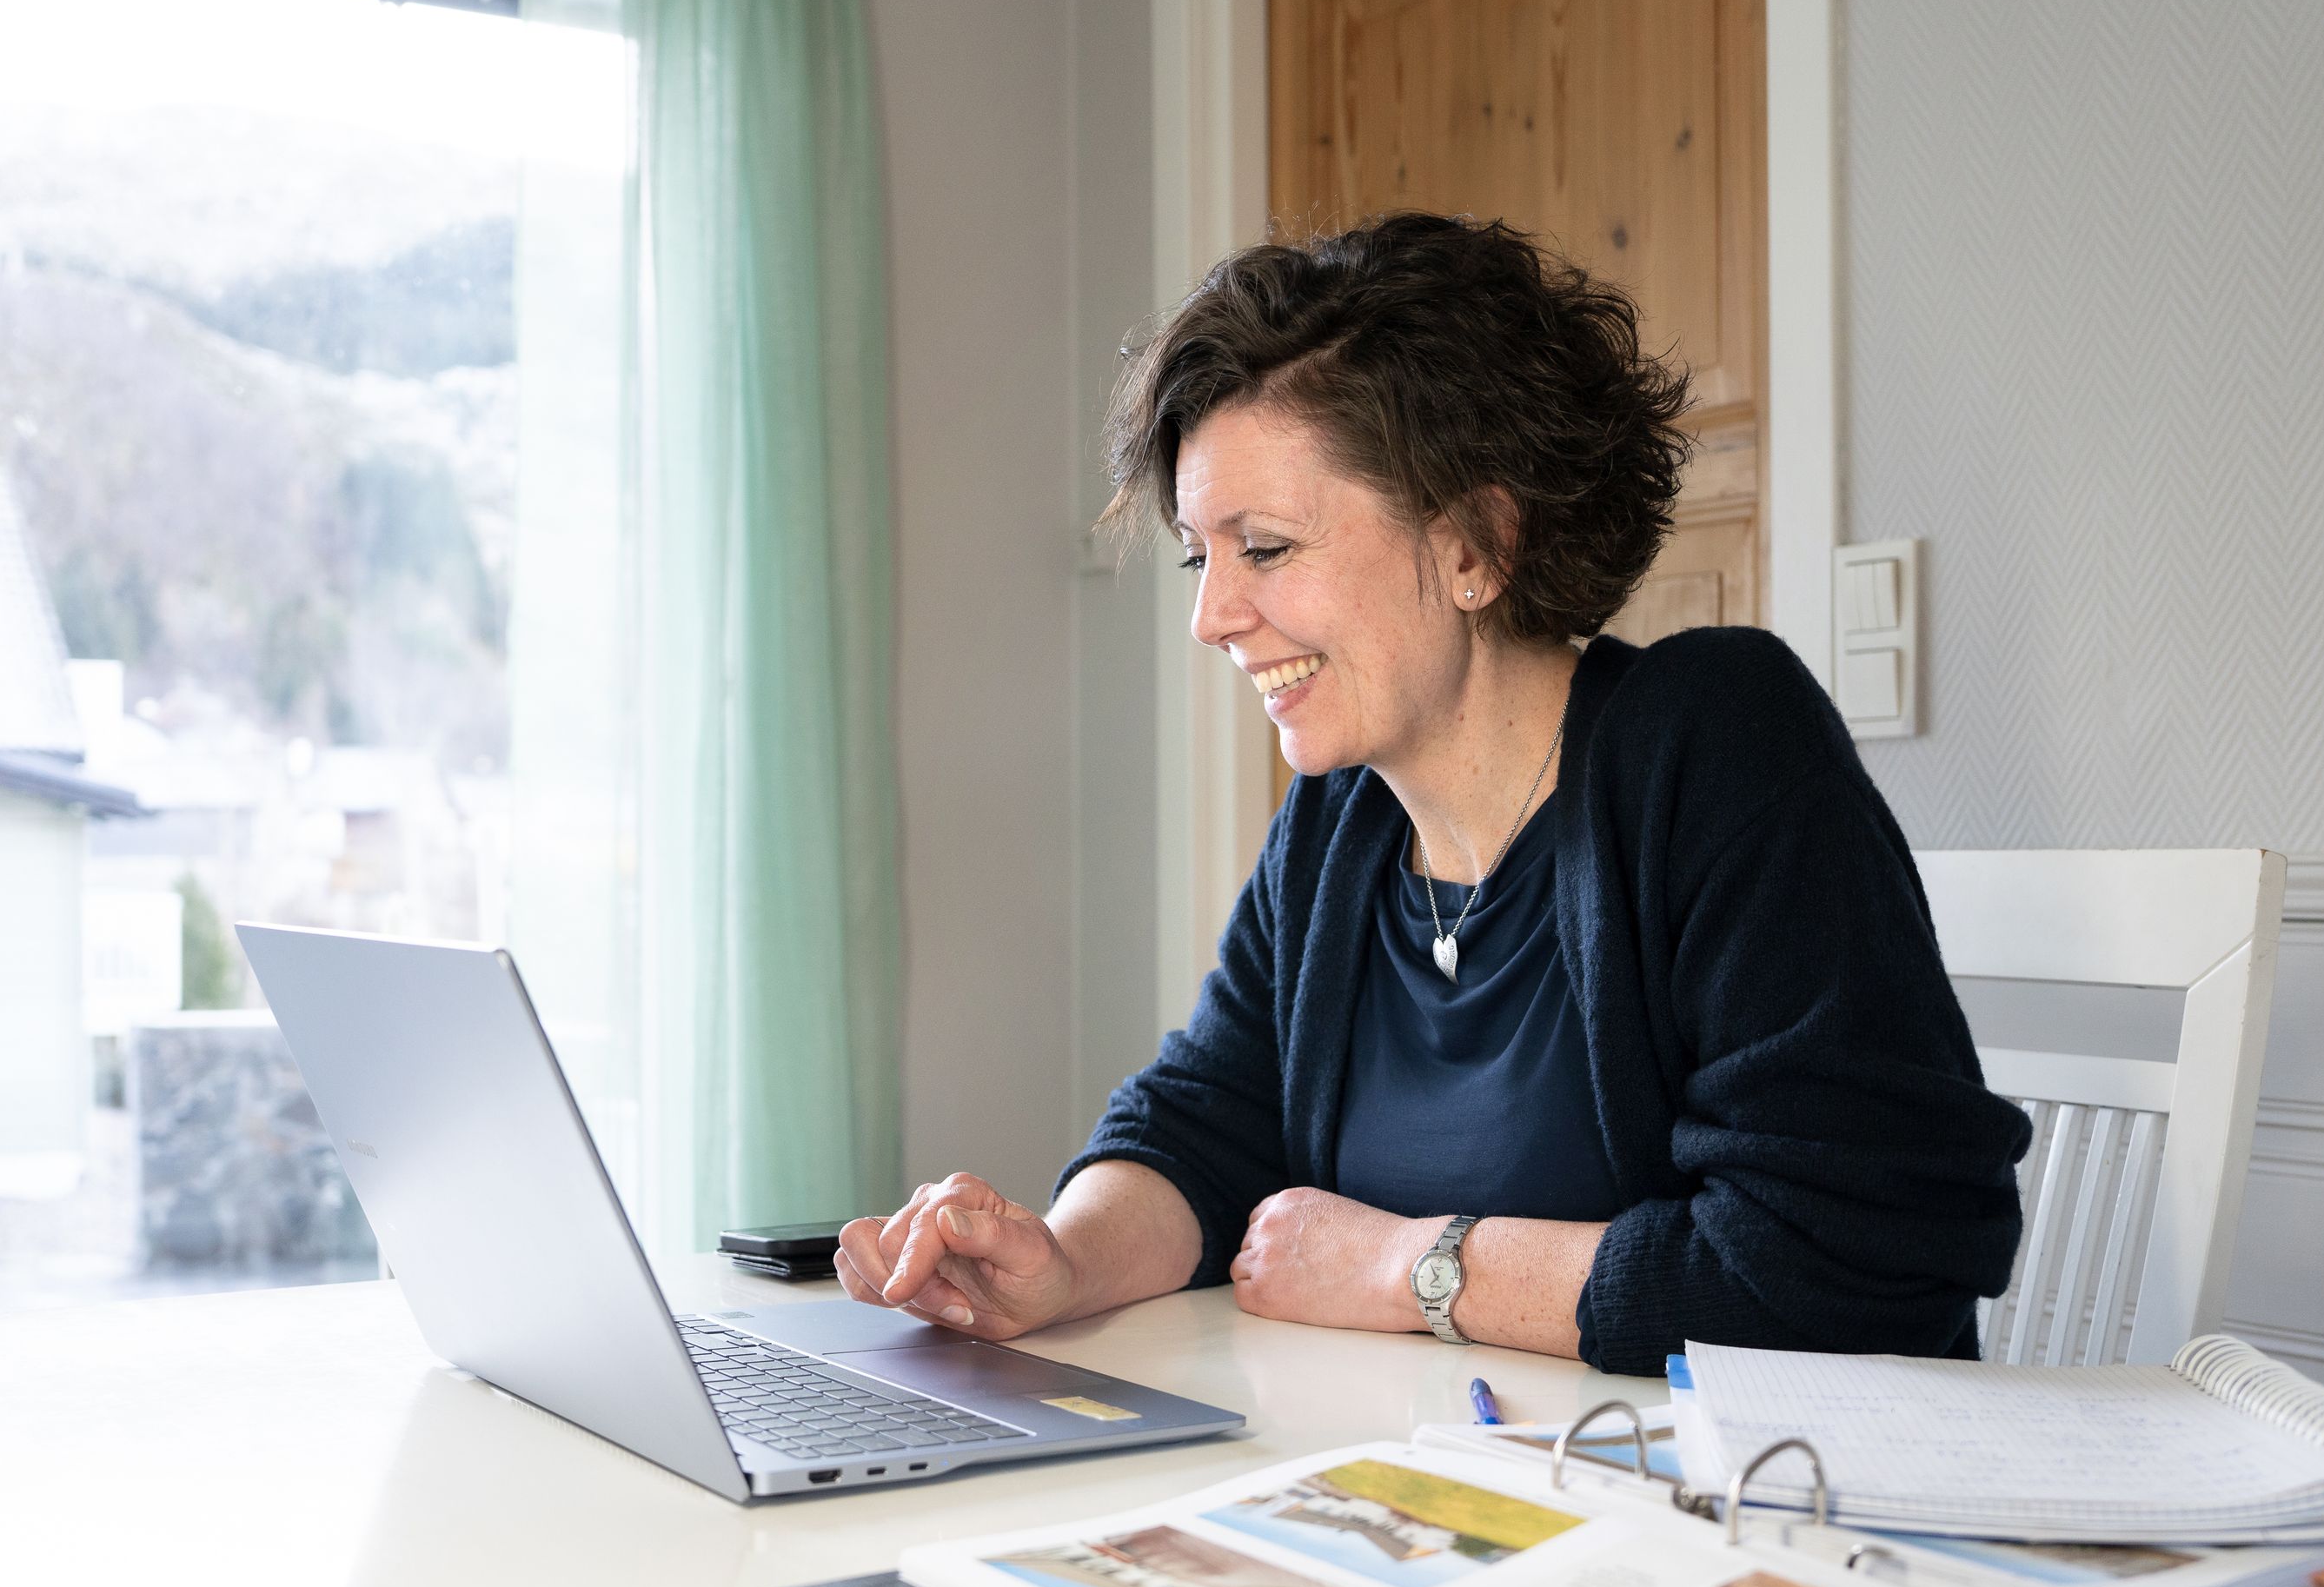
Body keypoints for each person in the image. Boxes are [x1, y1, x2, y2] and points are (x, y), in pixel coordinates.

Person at [840, 212, 2029, 1371]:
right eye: (1202, 558)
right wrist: (1060, 1259)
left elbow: (1863, 1256)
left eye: (1265, 547)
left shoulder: (1716, 747)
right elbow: (1206, 1119)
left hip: (1750, 1521)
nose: (1210, 618)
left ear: (1473, 545)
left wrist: (1415, 1269)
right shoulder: (1343, 821)